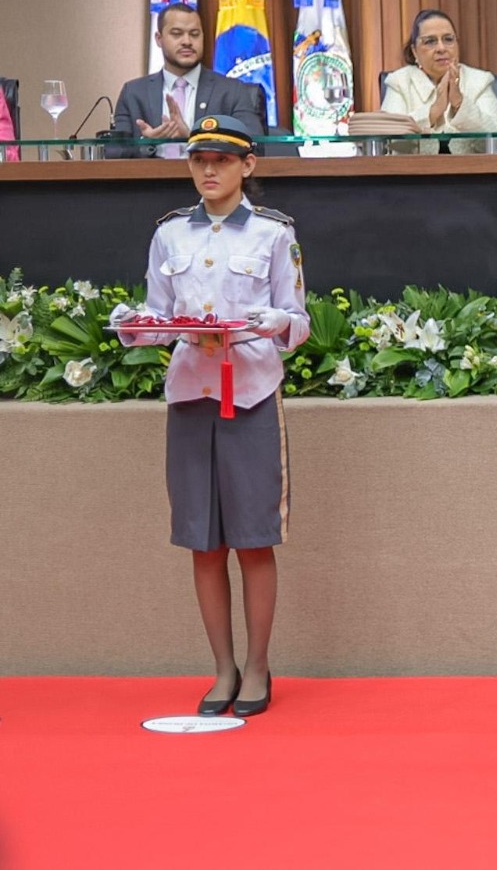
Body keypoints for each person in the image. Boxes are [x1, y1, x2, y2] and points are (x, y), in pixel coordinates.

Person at [110, 114, 309, 717]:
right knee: (203, 541)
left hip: (250, 392)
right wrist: (134, 326)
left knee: (253, 540)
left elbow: (297, 320)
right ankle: (222, 668)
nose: (209, 170)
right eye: (200, 160)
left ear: (248, 165)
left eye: (222, 160)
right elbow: (159, 314)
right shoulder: (170, 233)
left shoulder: (274, 233)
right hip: (191, 393)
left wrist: (277, 323)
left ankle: (257, 667)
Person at [110, 2, 266, 159]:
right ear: (159, 39)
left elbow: (255, 148)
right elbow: (114, 154)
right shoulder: (134, 93)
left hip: (211, 174)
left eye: (194, 34)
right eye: (177, 34)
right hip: (151, 175)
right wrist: (148, 144)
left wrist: (193, 140)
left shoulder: (232, 90)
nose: (187, 41)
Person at [380, 9, 497, 155]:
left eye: (448, 39)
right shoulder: (399, 82)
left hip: (470, 169)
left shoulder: (479, 81)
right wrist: (432, 113)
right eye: (430, 41)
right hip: (414, 170)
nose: (441, 48)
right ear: (414, 51)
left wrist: (459, 104)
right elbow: (388, 143)